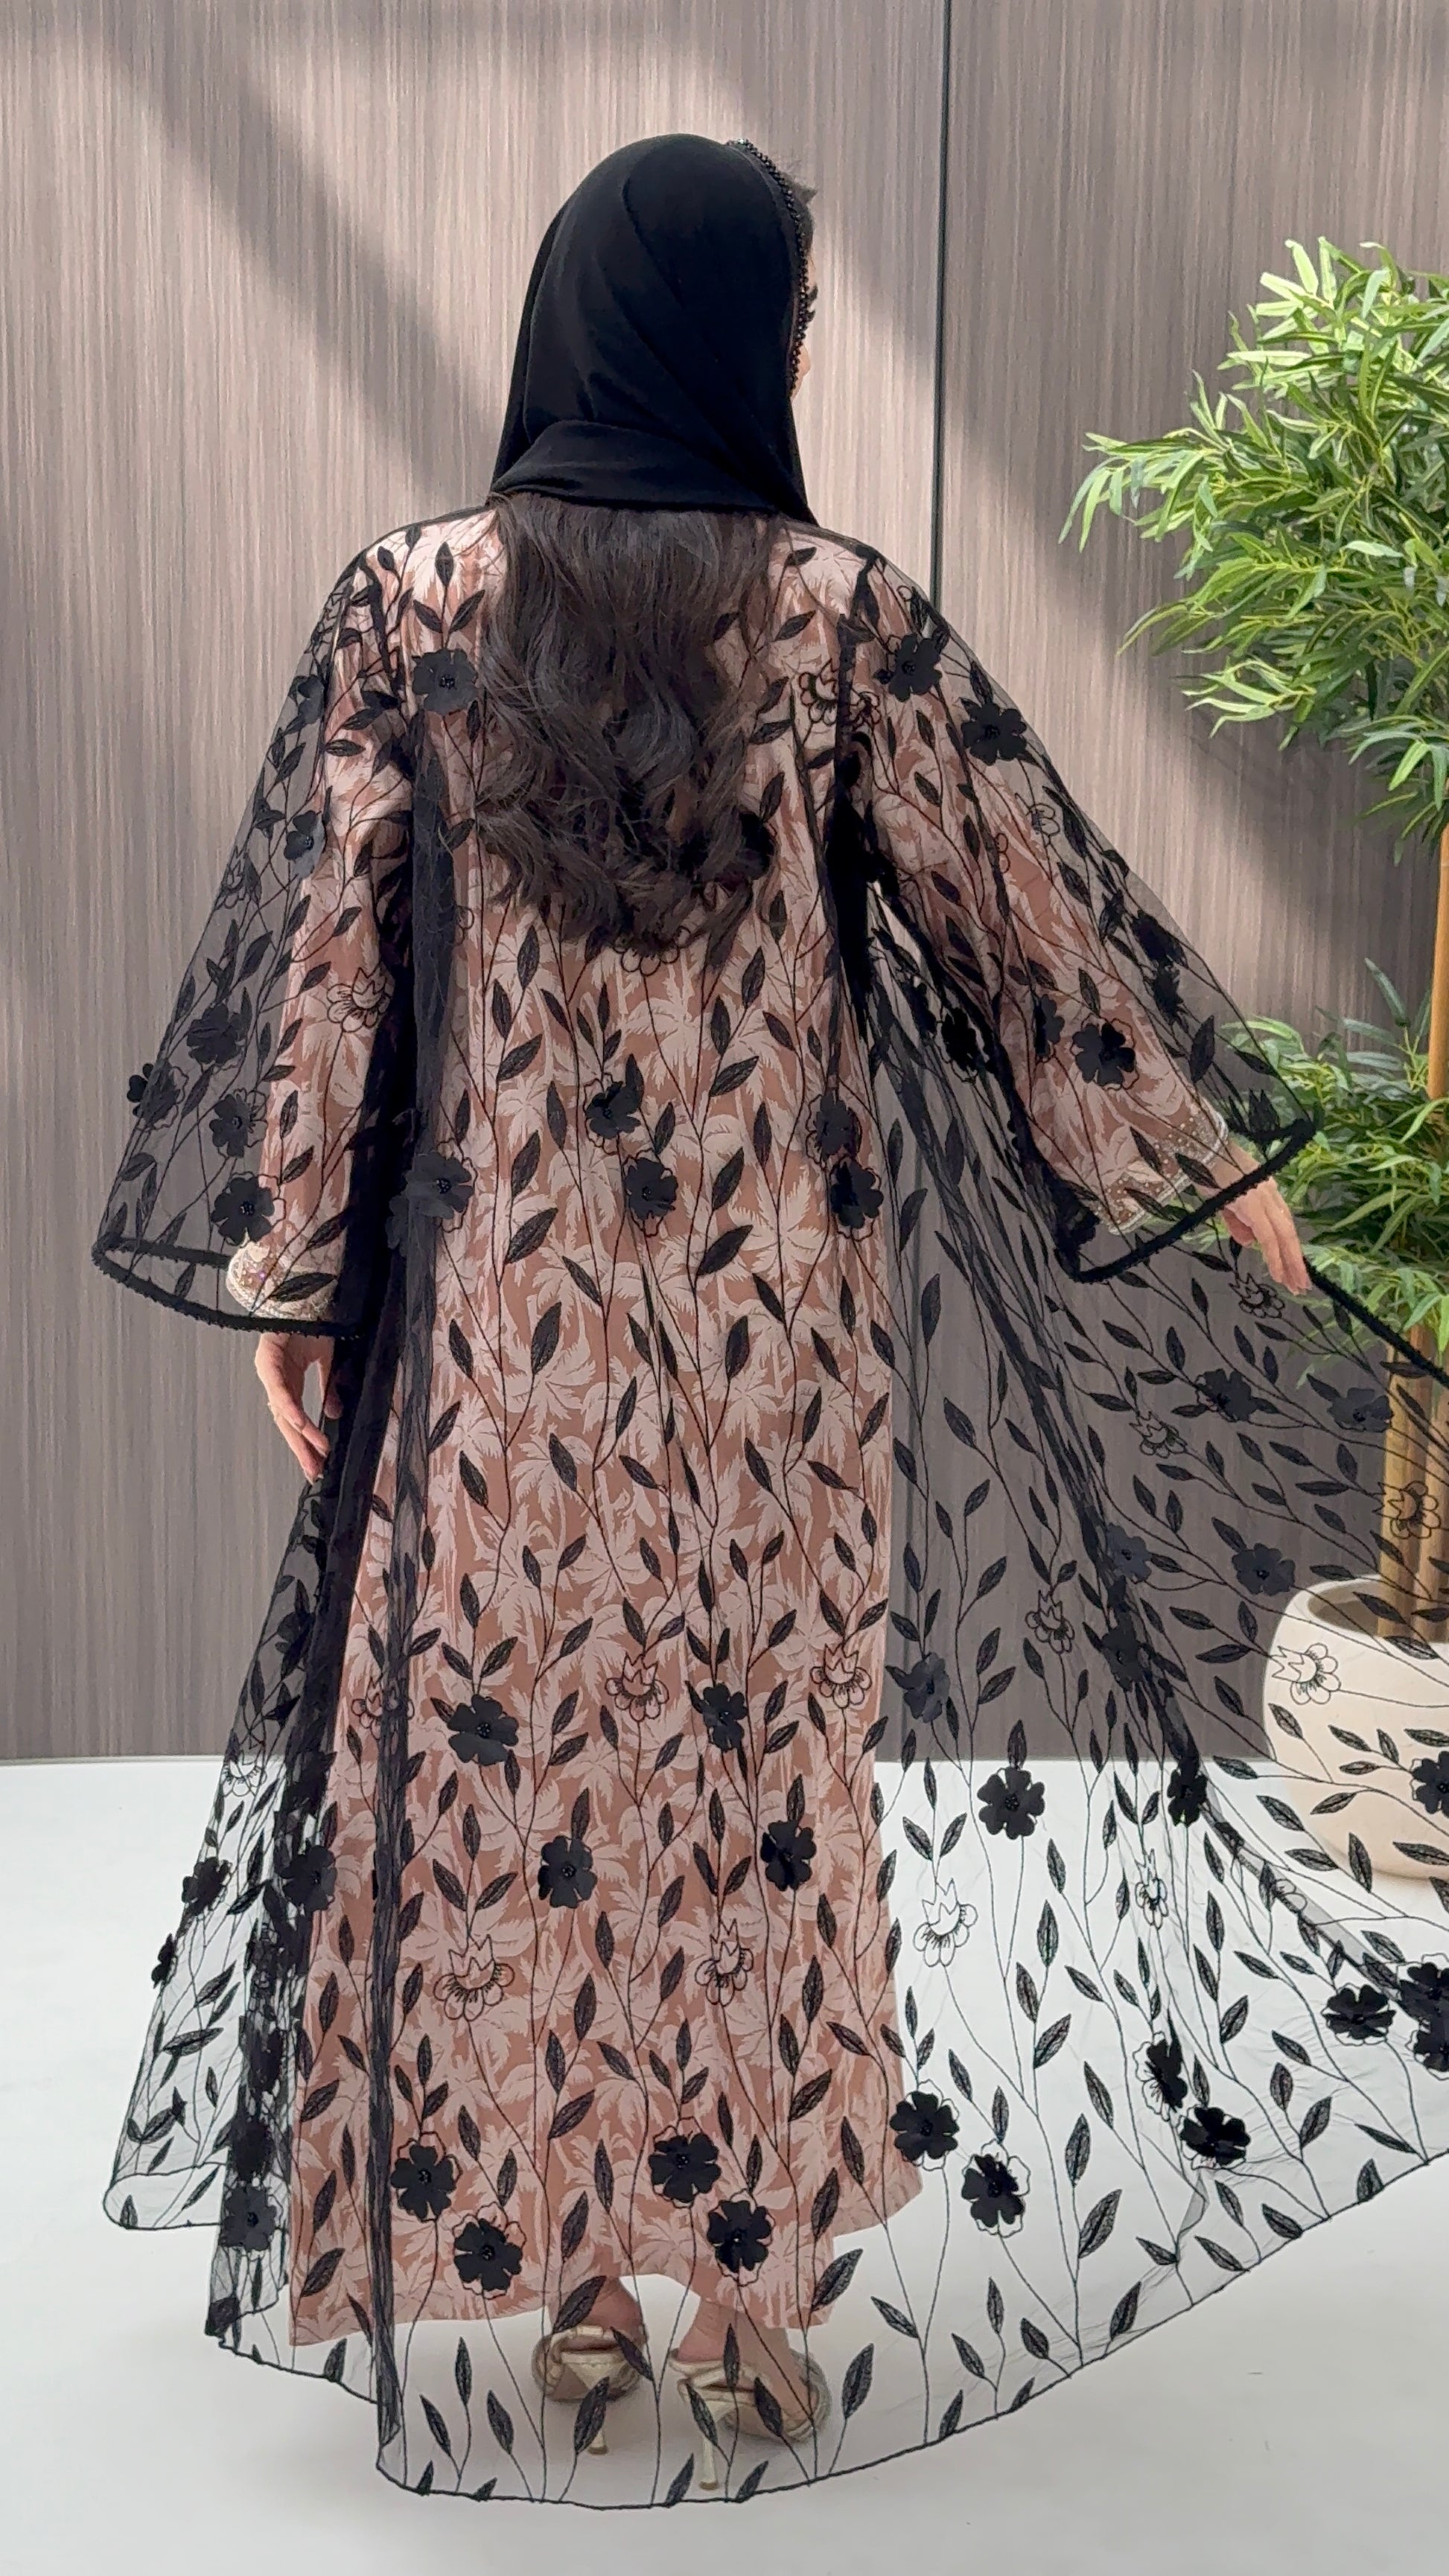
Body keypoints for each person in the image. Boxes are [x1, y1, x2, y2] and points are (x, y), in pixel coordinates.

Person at [95, 132, 1449, 2510]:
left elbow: (326, 972)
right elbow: (1019, 914)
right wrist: (1194, 1143)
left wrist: (290, 1276)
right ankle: (744, 2309)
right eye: (797, 317)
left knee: (513, 1802)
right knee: (760, 1801)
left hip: (500, 1342)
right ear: (725, 335)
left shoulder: (411, 605)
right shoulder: (836, 623)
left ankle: (578, 2294)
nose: (806, 354)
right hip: (771, 1352)